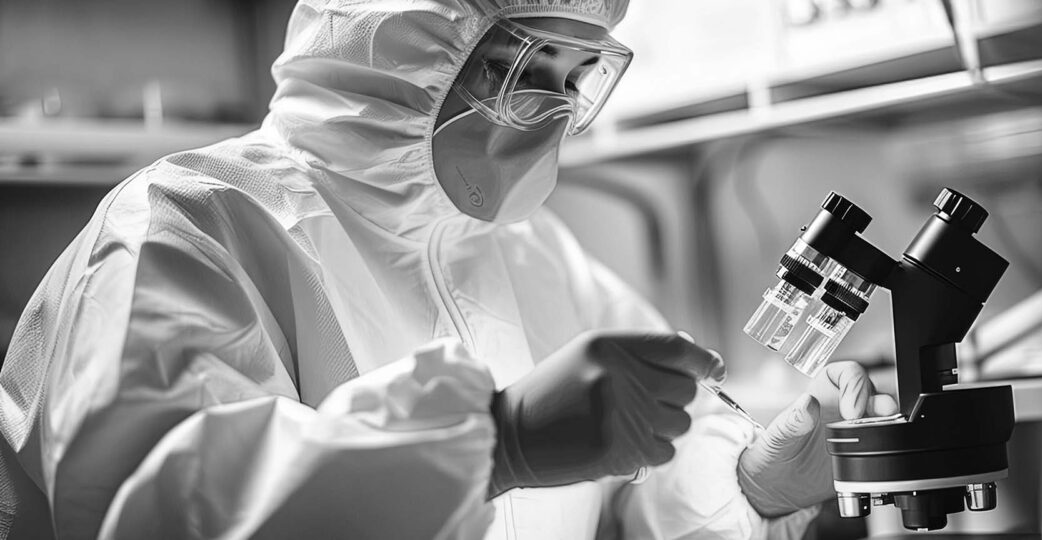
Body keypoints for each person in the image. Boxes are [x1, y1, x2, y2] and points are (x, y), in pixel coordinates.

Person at [0, 1, 898, 539]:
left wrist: (750, 486)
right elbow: (162, 516)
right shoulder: (191, 224)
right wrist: (491, 444)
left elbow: (630, 508)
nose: (553, 108)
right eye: (524, 64)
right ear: (409, 45)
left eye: (579, 69)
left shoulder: (535, 254)